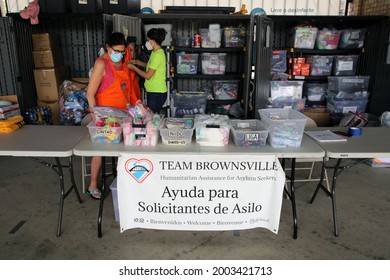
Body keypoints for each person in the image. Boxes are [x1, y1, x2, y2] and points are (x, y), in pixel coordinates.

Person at [86, 32, 139, 200]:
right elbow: (90, 93)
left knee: (125, 149)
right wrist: (96, 116)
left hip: (122, 114)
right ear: (108, 47)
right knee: (100, 151)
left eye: (122, 51)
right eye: (116, 51)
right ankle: (93, 184)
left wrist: (132, 108)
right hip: (105, 117)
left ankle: (125, 183)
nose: (120, 54)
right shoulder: (102, 64)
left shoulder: (121, 63)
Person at [127, 28, 167, 114]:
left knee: (150, 118)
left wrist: (133, 68)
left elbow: (148, 75)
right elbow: (150, 67)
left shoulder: (158, 55)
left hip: (157, 93)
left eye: (148, 40)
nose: (147, 42)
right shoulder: (155, 52)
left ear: (152, 41)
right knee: (151, 117)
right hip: (154, 91)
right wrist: (136, 62)